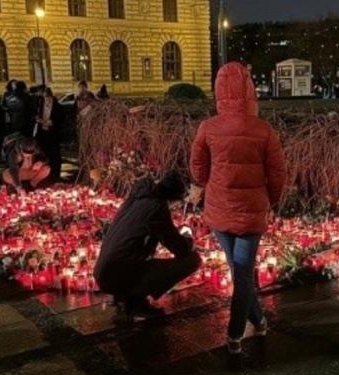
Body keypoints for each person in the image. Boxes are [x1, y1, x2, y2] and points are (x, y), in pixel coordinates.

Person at [190, 62, 286, 354]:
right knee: (242, 272)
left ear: (219, 91)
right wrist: (269, 200)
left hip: (219, 211)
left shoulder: (208, 128)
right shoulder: (264, 130)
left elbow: (197, 170)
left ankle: (241, 329)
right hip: (251, 214)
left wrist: (209, 182)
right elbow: (278, 174)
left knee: (240, 271)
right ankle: (247, 326)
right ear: (250, 90)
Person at [93, 171, 201, 320]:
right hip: (115, 275)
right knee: (193, 260)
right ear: (173, 196)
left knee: (137, 259)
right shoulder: (156, 207)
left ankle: (124, 295)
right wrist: (189, 240)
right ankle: (136, 301)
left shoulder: (137, 199)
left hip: (103, 271)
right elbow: (178, 247)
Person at [34, 87, 63, 181]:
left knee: (54, 154)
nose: (47, 101)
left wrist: (52, 122)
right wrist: (39, 120)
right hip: (42, 133)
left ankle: (55, 174)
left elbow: (60, 120)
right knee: (43, 153)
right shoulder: (40, 106)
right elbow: (36, 116)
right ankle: (44, 174)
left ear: (52, 97)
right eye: (45, 99)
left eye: (49, 99)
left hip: (53, 134)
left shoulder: (57, 107)